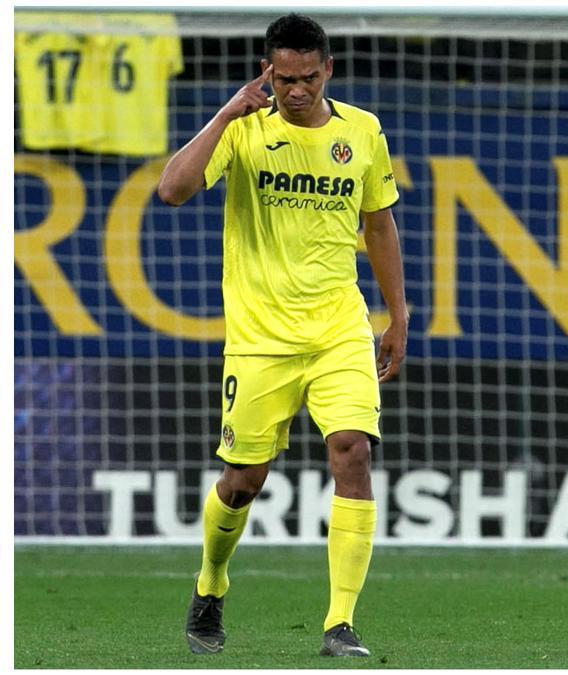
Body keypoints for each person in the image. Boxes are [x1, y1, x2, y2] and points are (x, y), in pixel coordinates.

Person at [157, 14, 407, 658]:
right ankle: (211, 583)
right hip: (260, 337)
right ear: (268, 72)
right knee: (243, 479)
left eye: (307, 77)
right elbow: (172, 191)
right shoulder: (245, 131)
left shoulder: (362, 131)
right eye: (283, 77)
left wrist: (397, 315)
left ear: (329, 70)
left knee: (352, 450)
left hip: (338, 328)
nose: (296, 90)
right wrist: (225, 115)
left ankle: (340, 625)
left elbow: (378, 225)